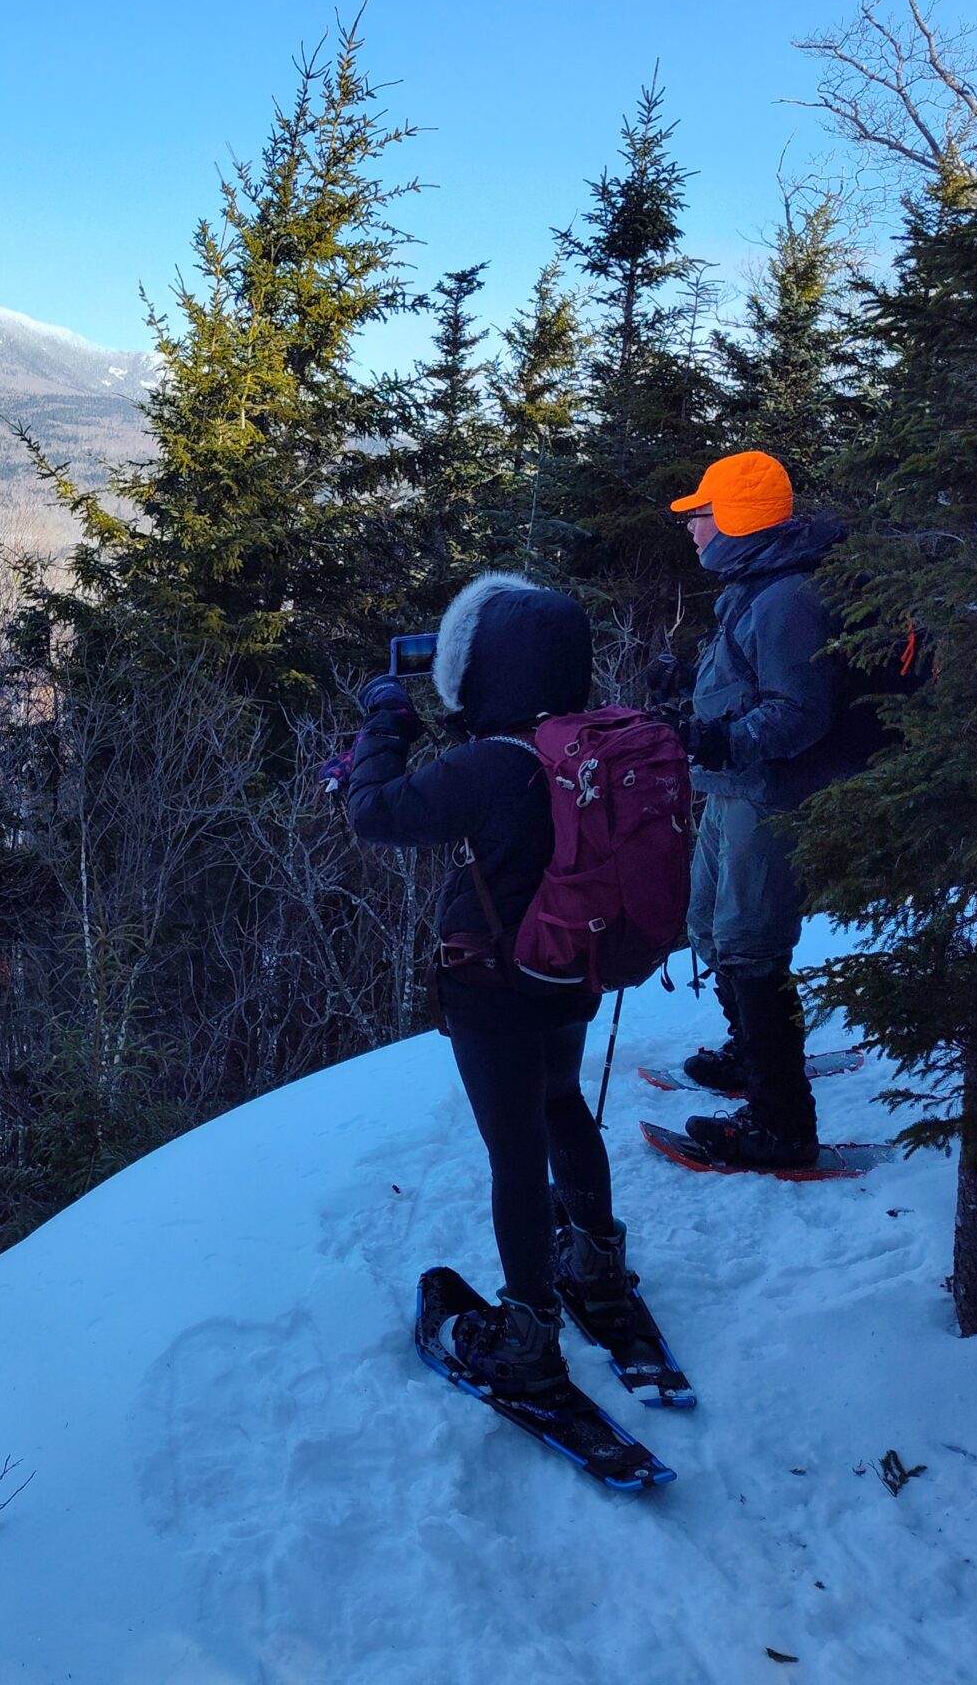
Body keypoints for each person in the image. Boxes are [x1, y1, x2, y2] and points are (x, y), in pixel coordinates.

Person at [341, 572, 633, 1398]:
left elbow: (376, 814)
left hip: (491, 982)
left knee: (515, 1150)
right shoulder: (591, 748)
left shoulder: (489, 765)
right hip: (571, 967)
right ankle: (598, 1260)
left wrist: (386, 719)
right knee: (562, 1103)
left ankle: (529, 1332)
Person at [662, 450, 853, 1169]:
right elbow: (753, 679)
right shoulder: (756, 583)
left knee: (750, 940)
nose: (693, 527)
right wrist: (692, 684)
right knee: (710, 922)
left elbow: (800, 713)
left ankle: (783, 1125)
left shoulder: (785, 598)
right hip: (733, 785)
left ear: (736, 518)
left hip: (770, 794)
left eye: (701, 514)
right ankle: (750, 1054)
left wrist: (717, 735)